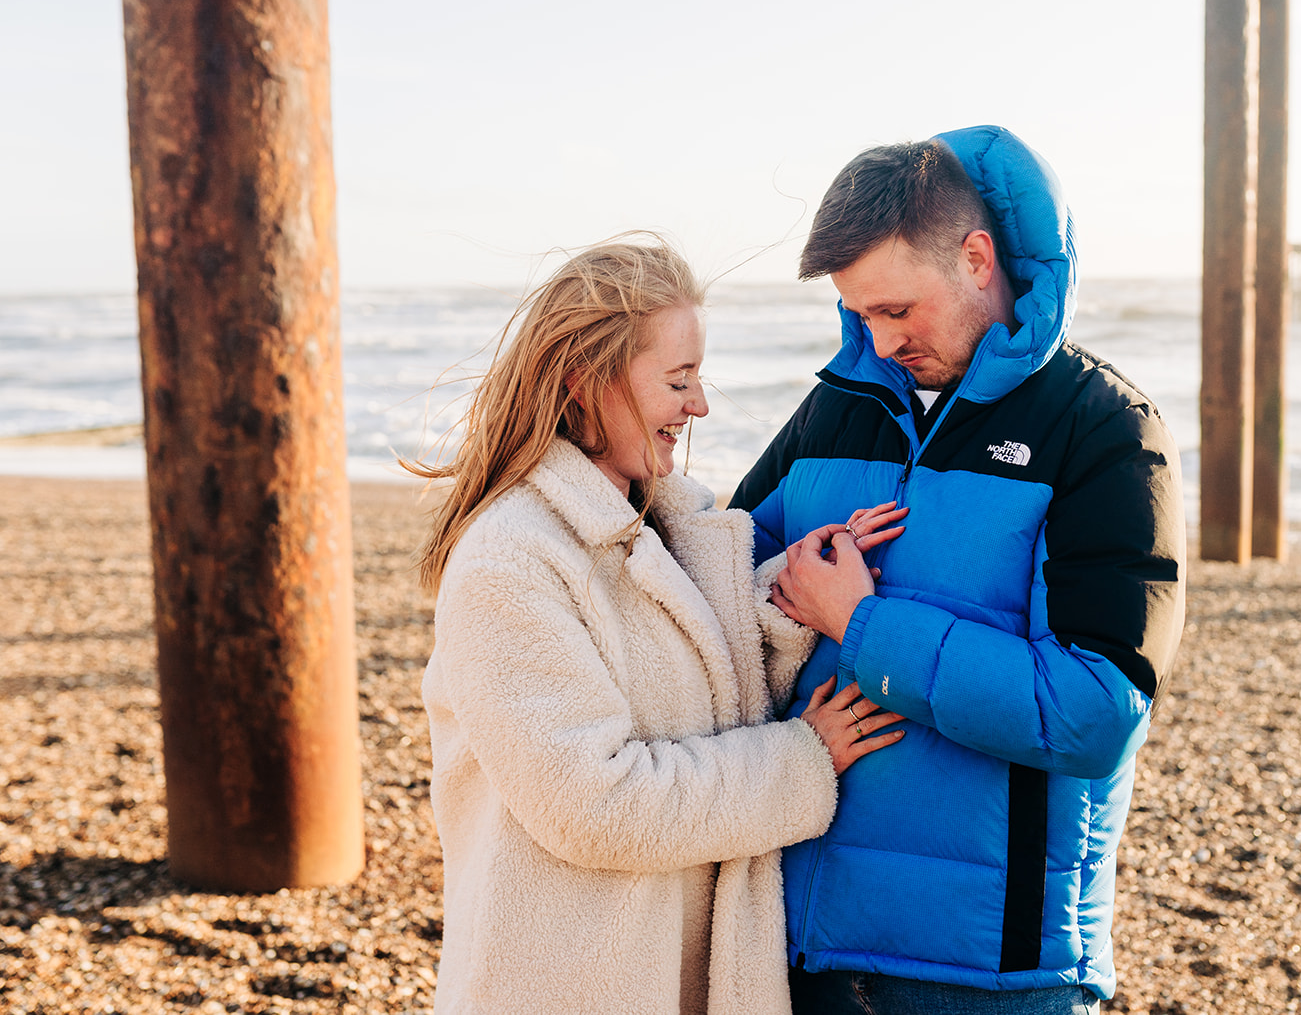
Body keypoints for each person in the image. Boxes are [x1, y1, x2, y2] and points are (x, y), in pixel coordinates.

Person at [730, 127, 1186, 1014]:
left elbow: (1094, 710)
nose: (879, 337)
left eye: (897, 309)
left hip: (992, 976)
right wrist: (791, 571)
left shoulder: (1104, 430)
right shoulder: (837, 409)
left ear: (977, 258)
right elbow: (716, 578)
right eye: (859, 313)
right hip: (805, 949)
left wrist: (862, 626)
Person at [410, 237, 908, 1015]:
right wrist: (799, 762)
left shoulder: (651, 528)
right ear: (584, 380)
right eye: (678, 380)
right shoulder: (509, 562)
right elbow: (596, 804)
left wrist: (789, 594)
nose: (699, 405)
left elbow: (689, 679)